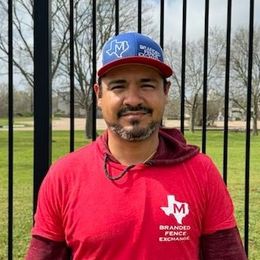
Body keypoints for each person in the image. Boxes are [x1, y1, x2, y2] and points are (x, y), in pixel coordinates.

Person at [26, 32, 247, 260]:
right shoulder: (64, 176)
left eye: (147, 85)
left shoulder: (201, 172)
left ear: (165, 92)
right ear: (99, 94)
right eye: (118, 86)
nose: (133, 99)